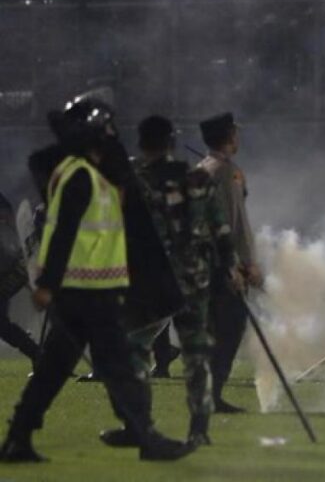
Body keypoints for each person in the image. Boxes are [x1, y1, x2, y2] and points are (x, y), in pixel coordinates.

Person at [0, 97, 193, 462]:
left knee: (53, 372)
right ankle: (146, 437)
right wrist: (48, 284)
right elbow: (64, 233)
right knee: (118, 368)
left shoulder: (87, 173)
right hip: (86, 294)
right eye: (106, 129)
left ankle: (17, 439)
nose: (112, 135)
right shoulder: (80, 176)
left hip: (87, 292)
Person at [100, 115, 239, 448]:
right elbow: (220, 229)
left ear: (142, 142)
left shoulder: (135, 180)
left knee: (136, 349)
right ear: (171, 142)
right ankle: (199, 428)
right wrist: (228, 268)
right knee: (196, 354)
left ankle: (138, 424)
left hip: (152, 280)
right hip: (194, 279)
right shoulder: (196, 179)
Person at [198, 112, 261, 414]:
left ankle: (207, 393)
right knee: (231, 328)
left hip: (204, 262)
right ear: (228, 136)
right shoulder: (227, 173)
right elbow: (235, 224)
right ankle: (213, 394)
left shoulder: (204, 169)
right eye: (235, 133)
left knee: (214, 330)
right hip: (224, 264)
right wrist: (245, 264)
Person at [0, 191, 39, 362]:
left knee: (1, 325)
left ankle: (38, 354)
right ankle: (38, 354)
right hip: (11, 268)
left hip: (8, 271)